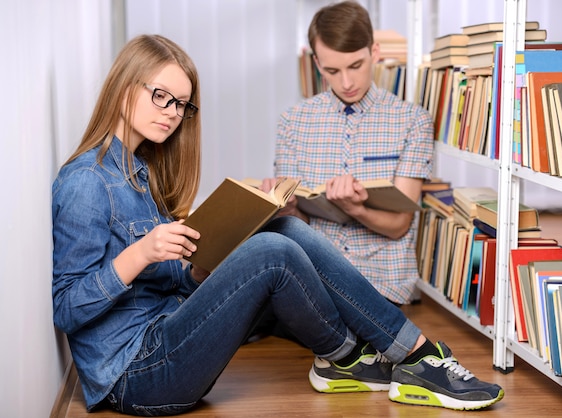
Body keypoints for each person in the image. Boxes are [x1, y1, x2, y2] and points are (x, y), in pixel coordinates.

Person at [51, 34, 503, 416]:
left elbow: (165, 281)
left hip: (169, 329)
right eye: (161, 97)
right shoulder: (86, 181)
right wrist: (141, 252)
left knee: (279, 231)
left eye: (182, 105)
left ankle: (364, 356)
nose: (171, 113)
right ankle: (403, 357)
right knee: (273, 252)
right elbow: (67, 308)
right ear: (125, 86)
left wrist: (205, 257)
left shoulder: (137, 170)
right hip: (138, 374)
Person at [266, 0, 434, 306]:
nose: (346, 82)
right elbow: (296, 224)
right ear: (318, 65)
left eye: (355, 66)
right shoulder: (292, 122)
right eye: (332, 70)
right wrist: (284, 207)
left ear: (375, 53)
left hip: (380, 280)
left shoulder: (412, 121)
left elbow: (399, 226)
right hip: (312, 275)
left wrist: (357, 209)